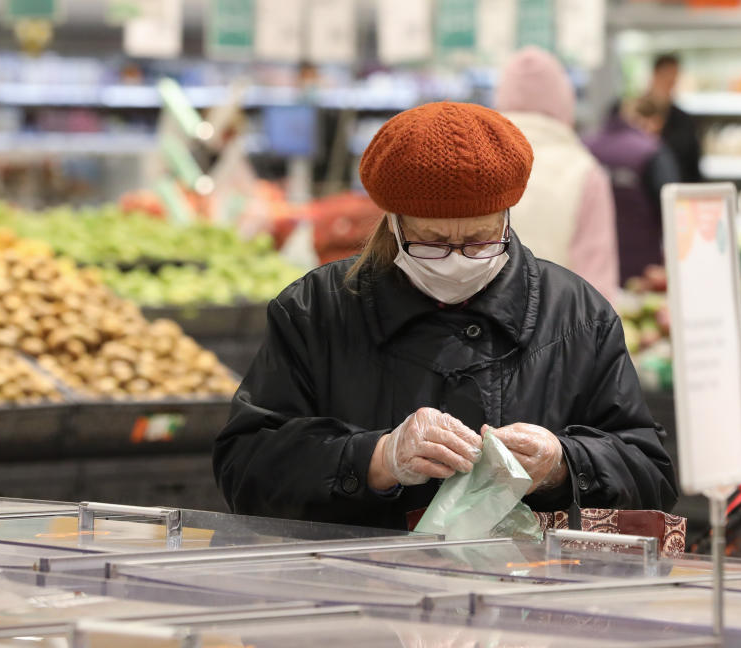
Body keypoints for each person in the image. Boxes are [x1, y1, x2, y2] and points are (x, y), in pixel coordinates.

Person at [213, 102, 677, 529]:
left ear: (507, 216)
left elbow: (650, 476)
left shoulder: (577, 316)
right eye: (432, 241)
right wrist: (376, 459)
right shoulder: (315, 310)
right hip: (356, 592)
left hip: (525, 598)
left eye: (479, 239)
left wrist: (562, 464)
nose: (458, 259)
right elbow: (245, 469)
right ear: (393, 223)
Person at [494, 46, 619, 300]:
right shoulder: (585, 172)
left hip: (480, 330)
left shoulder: (477, 162)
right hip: (559, 329)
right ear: (564, 100)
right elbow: (596, 284)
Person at [585, 97, 680, 283]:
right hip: (643, 272)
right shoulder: (651, 152)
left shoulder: (583, 147)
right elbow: (674, 211)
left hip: (590, 270)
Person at [648, 53, 702, 183]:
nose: (670, 83)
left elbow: (693, 165)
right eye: (665, 77)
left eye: (673, 78)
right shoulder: (631, 114)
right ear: (655, 76)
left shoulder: (683, 120)